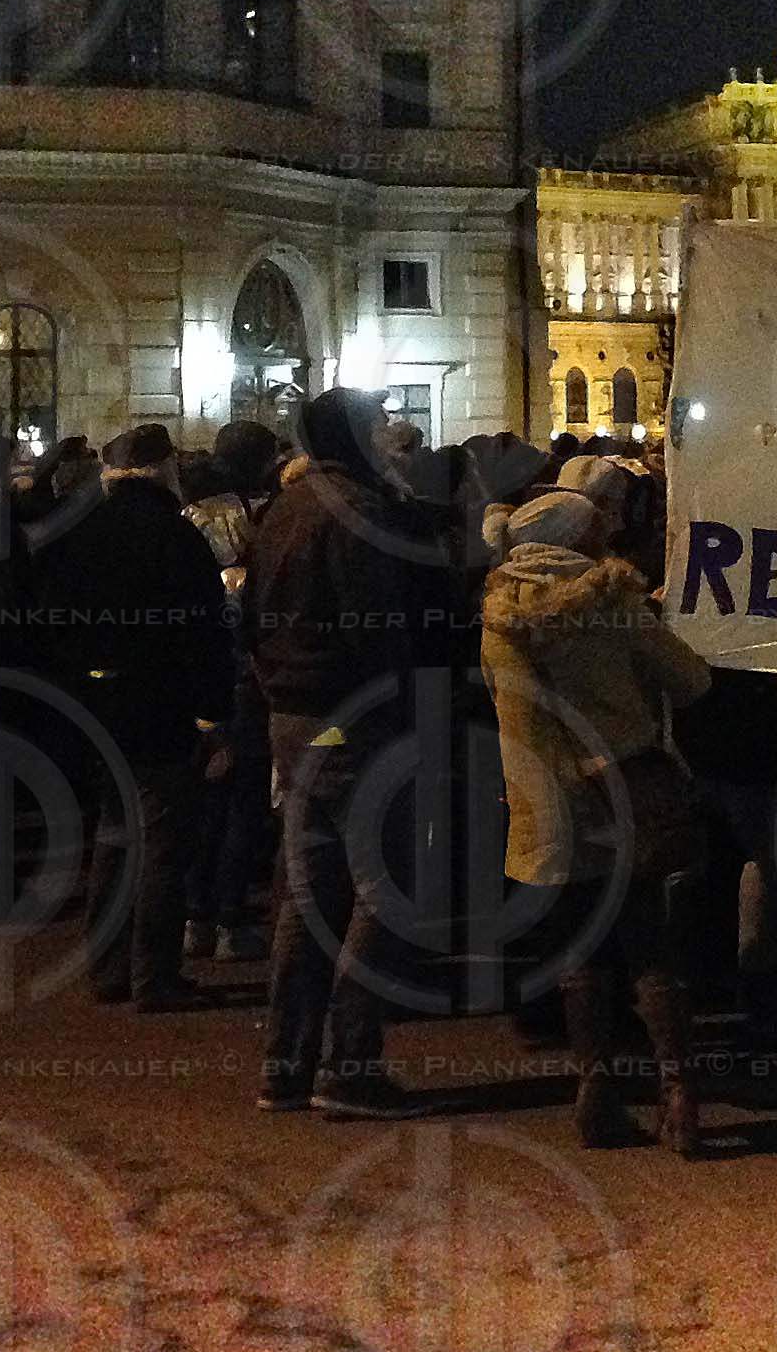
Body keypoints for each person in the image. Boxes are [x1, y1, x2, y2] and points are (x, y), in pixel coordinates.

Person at [246, 388, 467, 1118]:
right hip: (351, 719)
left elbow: (249, 621)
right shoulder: (356, 512)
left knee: (311, 892)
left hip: (294, 715)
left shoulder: (286, 507)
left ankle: (286, 1063)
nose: (382, 438)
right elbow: (379, 632)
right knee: (382, 885)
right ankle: (349, 1062)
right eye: (373, 426)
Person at [481, 485, 714, 1154]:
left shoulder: (498, 617)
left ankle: (596, 1091)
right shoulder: (613, 601)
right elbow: (692, 680)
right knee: (649, 944)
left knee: (580, 950)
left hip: (547, 799)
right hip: (625, 789)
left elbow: (511, 710)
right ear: (580, 540)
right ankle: (680, 1096)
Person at [35, 423, 232, 1009]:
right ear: (163, 469)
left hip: (97, 709)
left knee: (114, 837)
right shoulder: (177, 538)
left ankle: (106, 968)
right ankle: (154, 974)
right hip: (161, 706)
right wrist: (213, 712)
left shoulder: (76, 534)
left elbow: (50, 624)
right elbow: (206, 632)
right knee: (163, 841)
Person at [180, 421, 283, 965]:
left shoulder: (194, 514)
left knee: (207, 798)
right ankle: (227, 916)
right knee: (241, 800)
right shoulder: (258, 515)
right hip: (245, 671)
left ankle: (198, 913)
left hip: (206, 670)